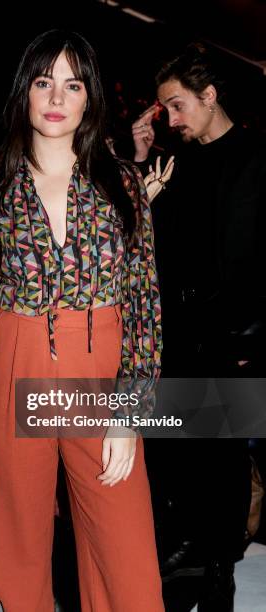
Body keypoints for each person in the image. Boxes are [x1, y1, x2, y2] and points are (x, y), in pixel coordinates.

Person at [0, 29, 171, 612]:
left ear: (90, 97)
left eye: (72, 84)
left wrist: (129, 410)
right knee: (12, 548)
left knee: (126, 552)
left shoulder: (121, 185)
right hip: (14, 361)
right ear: (25, 92)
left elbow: (143, 303)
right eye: (44, 82)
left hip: (100, 370)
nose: (56, 97)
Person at [132, 43, 265, 610]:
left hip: (233, 334)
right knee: (173, 446)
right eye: (166, 110)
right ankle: (186, 554)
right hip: (176, 327)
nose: (174, 119)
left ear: (210, 97)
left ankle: (220, 568)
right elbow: (151, 244)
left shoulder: (256, 154)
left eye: (178, 106)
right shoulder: (175, 162)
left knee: (223, 455)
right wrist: (139, 164)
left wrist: (247, 336)